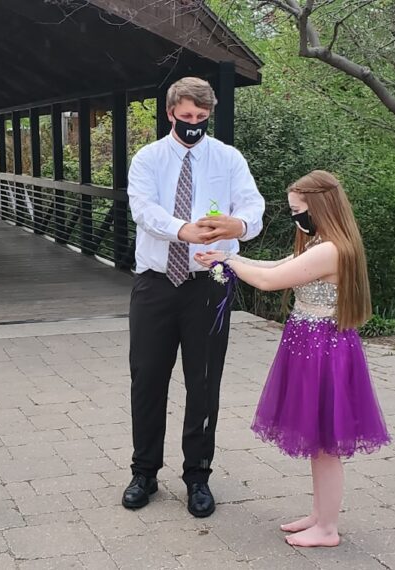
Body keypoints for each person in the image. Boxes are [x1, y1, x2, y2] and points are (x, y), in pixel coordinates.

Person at [196, 170, 391, 547]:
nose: (295, 218)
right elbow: (273, 267)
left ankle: (328, 528)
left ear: (319, 207)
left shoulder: (330, 249)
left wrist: (227, 261)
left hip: (322, 350)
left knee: (325, 444)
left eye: (298, 210)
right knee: (318, 442)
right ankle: (320, 515)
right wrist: (229, 257)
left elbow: (272, 281)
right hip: (311, 345)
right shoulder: (321, 242)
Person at [124, 77, 265, 518]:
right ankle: (144, 471)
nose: (193, 126)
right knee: (147, 379)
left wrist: (237, 227)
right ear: (170, 113)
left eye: (202, 119)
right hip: (156, 282)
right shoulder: (148, 159)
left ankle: (197, 476)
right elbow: (142, 209)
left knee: (204, 381)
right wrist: (180, 229)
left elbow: (253, 207)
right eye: (186, 118)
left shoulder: (228, 158)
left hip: (209, 282)